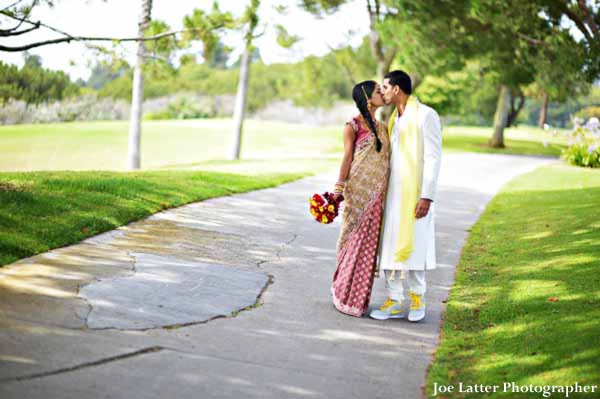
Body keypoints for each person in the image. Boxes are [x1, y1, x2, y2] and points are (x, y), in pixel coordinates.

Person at [370, 70, 442, 322]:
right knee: (389, 245)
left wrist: (427, 196)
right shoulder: (395, 119)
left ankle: (417, 298)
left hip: (416, 195)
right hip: (393, 193)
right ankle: (394, 299)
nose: (383, 92)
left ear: (397, 89)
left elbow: (433, 157)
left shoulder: (426, 115)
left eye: (385, 88)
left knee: (416, 246)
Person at [331, 80, 391, 317]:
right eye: (378, 92)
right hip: (357, 192)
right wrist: (338, 189)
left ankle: (358, 299)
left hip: (377, 194)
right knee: (352, 241)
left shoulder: (384, 127)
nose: (382, 94)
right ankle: (343, 292)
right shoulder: (352, 126)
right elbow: (347, 159)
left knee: (368, 244)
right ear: (367, 98)